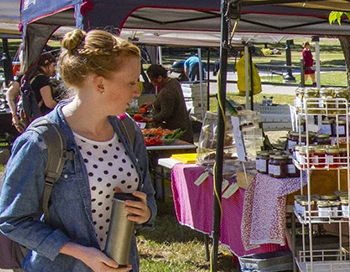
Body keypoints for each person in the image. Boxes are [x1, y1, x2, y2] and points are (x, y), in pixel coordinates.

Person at [0, 29, 157, 272]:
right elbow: (12, 219)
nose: (137, 90)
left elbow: (149, 197)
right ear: (100, 83)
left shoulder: (128, 131)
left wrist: (145, 212)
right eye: (131, 82)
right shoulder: (41, 140)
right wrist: (79, 252)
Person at [6, 52, 58, 133]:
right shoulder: (42, 79)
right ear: (46, 63)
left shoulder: (24, 77)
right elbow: (49, 103)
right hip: (41, 120)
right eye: (53, 65)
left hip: (26, 119)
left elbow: (9, 94)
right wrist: (63, 104)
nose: (54, 69)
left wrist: (14, 115)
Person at [141, 64, 194, 144]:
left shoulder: (167, 92)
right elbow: (167, 102)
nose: (152, 83)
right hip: (184, 126)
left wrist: (150, 119)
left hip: (175, 131)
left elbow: (165, 113)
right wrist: (153, 104)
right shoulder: (173, 82)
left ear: (159, 78)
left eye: (152, 80)